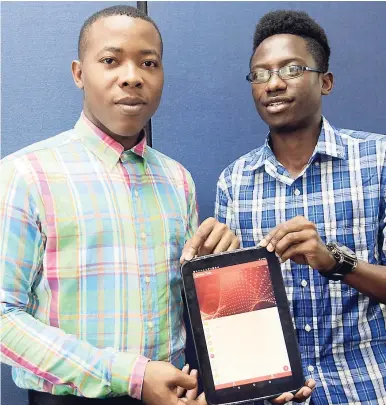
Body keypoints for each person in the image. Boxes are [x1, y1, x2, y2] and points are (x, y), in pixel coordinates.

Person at [0, 5, 239, 405]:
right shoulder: (25, 175)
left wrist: (215, 269)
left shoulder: (178, 180)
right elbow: (4, 315)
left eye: (149, 63)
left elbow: (185, 303)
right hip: (68, 398)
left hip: (176, 393)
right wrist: (132, 375)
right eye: (110, 60)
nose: (132, 76)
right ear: (79, 72)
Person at [215, 9, 386, 405]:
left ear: (325, 81)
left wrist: (333, 262)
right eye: (260, 74)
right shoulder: (234, 182)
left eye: (291, 69)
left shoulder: (378, 161)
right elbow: (236, 315)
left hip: (365, 386)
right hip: (273, 394)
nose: (273, 84)